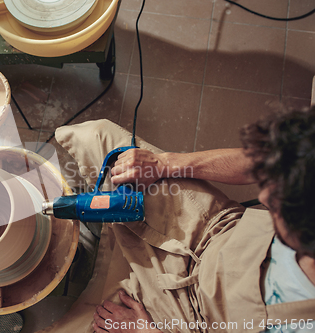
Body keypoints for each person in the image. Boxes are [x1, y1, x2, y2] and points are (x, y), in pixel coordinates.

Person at [43, 106, 315, 333]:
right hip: (214, 228)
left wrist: (147, 331)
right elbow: (259, 162)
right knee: (96, 136)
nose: (264, 197)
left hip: (188, 317)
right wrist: (165, 163)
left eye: (275, 202)